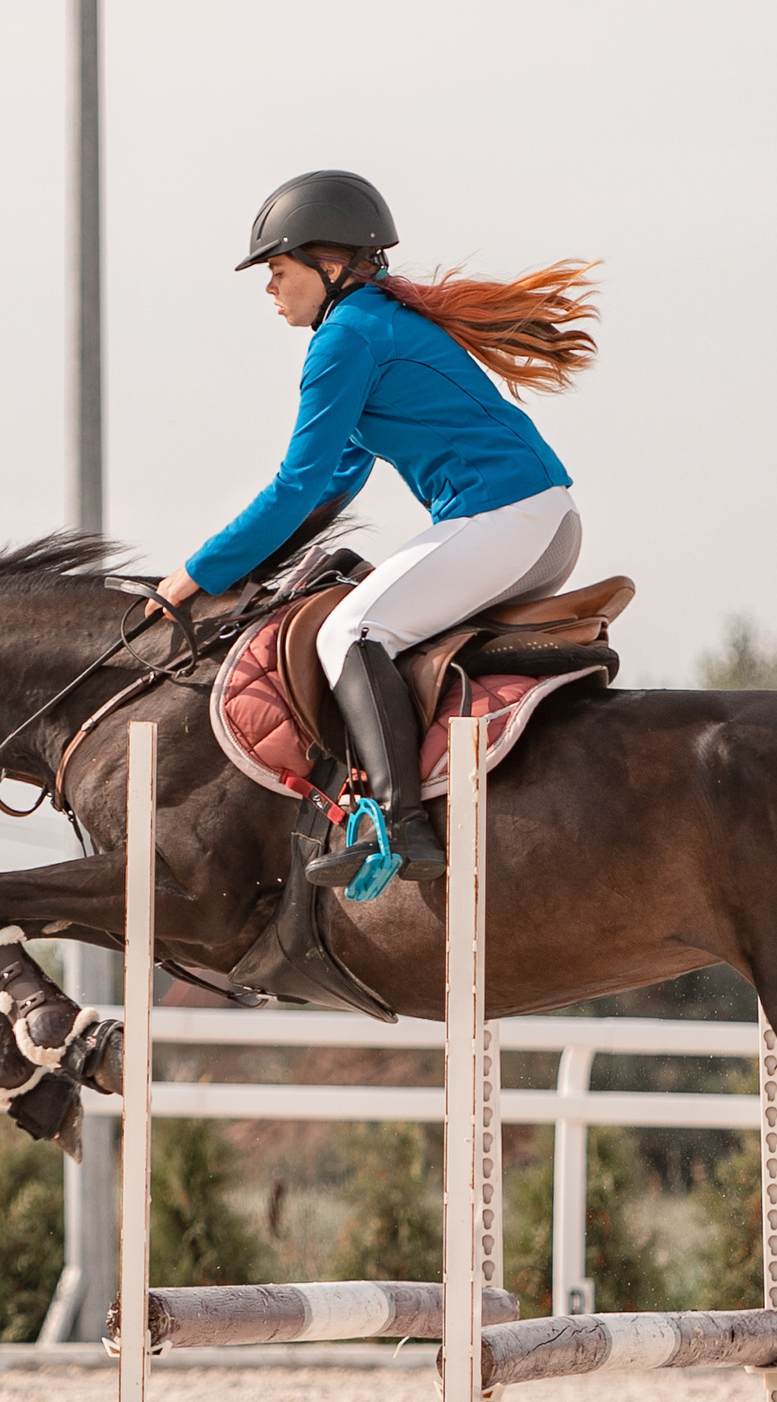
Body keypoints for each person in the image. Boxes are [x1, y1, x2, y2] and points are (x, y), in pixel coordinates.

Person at [150, 170, 597, 888]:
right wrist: (249, 568)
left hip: (511, 521)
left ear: (328, 264)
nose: (269, 288)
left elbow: (296, 485)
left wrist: (194, 574)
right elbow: (333, 481)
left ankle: (400, 825)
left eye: (276, 269)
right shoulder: (377, 323)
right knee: (361, 617)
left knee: (350, 632)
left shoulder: (346, 339)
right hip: (532, 520)